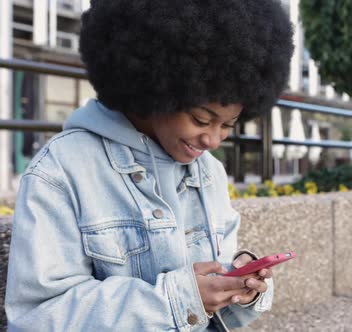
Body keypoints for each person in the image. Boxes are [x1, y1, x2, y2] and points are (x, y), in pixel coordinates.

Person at [4, 0, 293, 331]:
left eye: (228, 125)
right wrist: (177, 300)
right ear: (158, 88)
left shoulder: (209, 172)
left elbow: (217, 317)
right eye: (201, 119)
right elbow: (37, 318)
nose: (213, 140)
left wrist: (238, 287)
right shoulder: (62, 171)